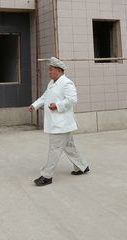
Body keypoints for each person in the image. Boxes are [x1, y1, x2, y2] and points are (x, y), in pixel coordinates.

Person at [28, 57, 89, 186]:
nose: (49, 72)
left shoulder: (66, 83)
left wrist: (57, 105)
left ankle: (47, 176)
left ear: (59, 70)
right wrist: (34, 105)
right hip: (59, 124)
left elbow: (72, 99)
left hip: (61, 124)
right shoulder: (52, 83)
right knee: (69, 147)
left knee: (54, 149)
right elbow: (45, 97)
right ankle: (82, 166)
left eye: (51, 70)